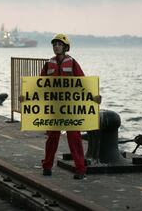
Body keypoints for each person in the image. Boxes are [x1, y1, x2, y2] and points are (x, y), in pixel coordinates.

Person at [40, 33, 98, 180]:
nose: (56, 47)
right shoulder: (48, 64)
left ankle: (80, 169)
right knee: (52, 138)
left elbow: (83, 82)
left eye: (59, 44)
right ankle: (47, 166)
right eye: (54, 45)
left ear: (65, 47)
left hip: (71, 107)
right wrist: (25, 98)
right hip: (54, 108)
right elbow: (38, 85)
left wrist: (94, 97)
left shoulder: (72, 63)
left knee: (75, 138)